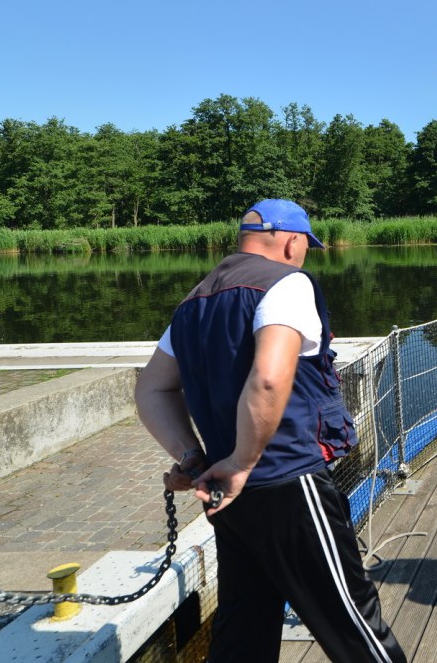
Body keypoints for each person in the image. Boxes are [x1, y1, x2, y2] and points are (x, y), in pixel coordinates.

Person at [135, 199, 405, 663]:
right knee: (352, 620)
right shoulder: (286, 283)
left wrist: (192, 458)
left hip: (227, 494)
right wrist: (243, 460)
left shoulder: (193, 302)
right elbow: (268, 378)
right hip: (286, 481)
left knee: (244, 625)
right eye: (306, 247)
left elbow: (151, 390)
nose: (304, 256)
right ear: (291, 241)